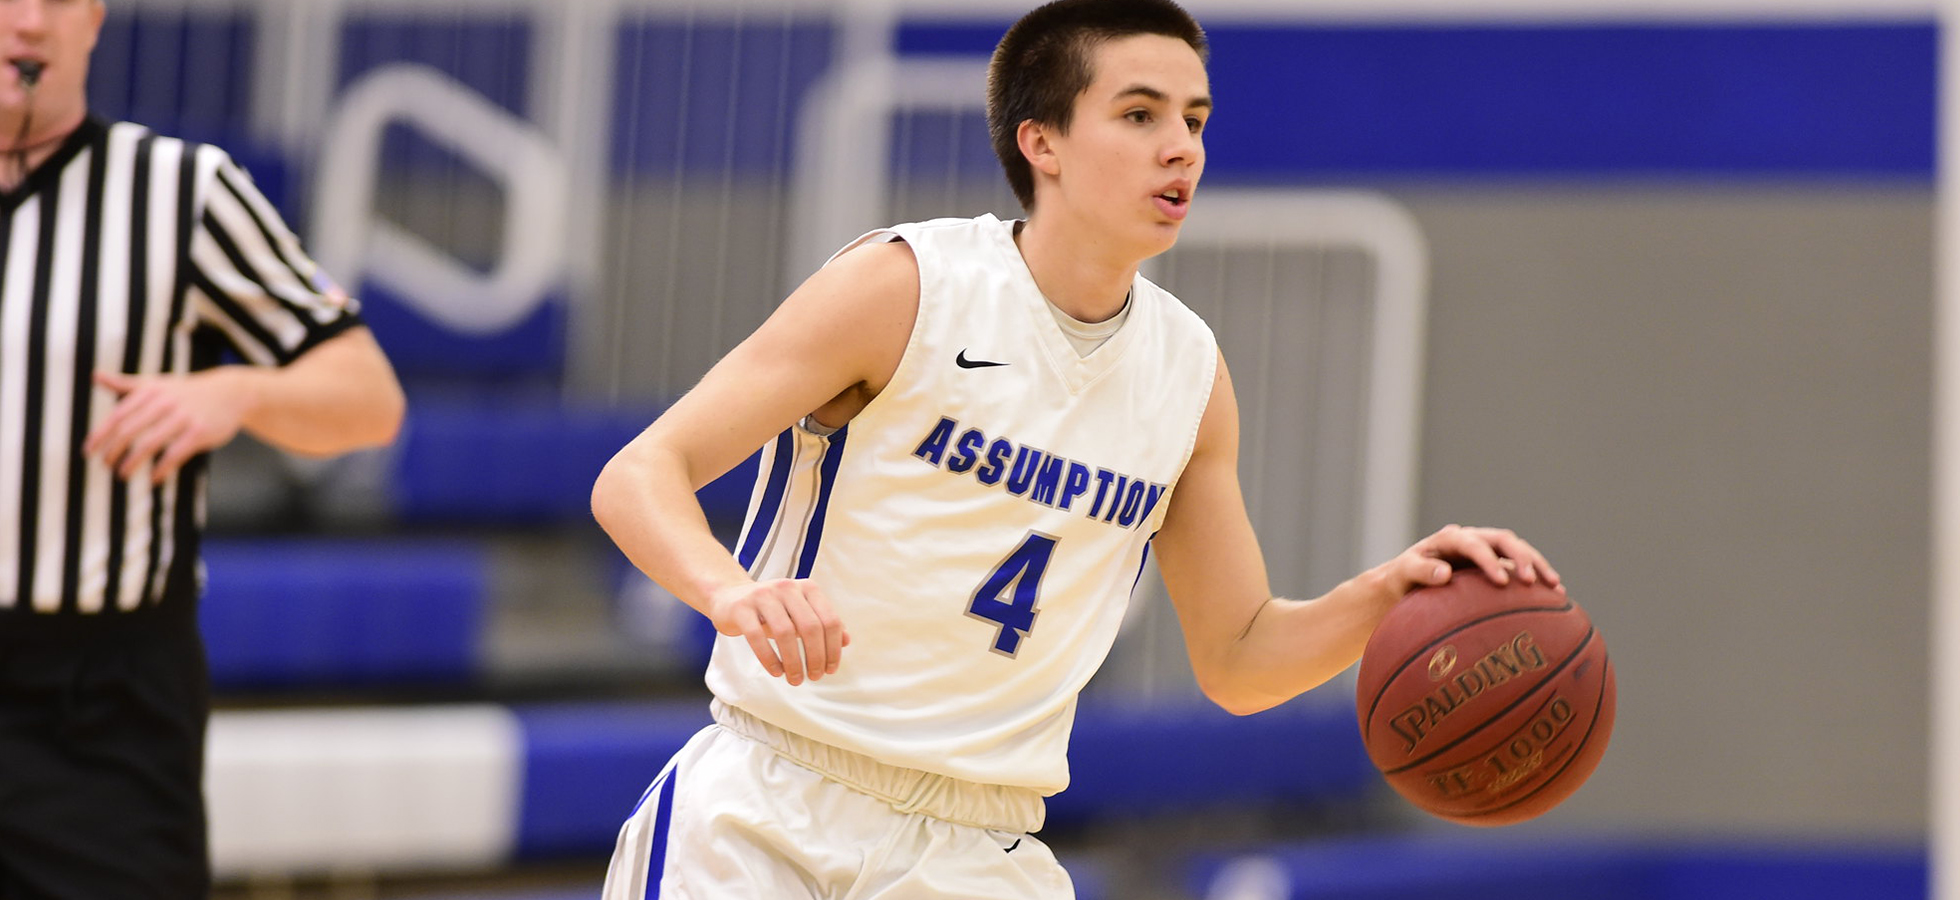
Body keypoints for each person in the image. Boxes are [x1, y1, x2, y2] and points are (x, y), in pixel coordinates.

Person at [592, 0, 1560, 897]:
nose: (1180, 149)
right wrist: (732, 592)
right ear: (1041, 142)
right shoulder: (906, 287)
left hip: (982, 845)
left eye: (1194, 120)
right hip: (773, 804)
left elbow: (1237, 658)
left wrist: (1387, 594)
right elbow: (639, 475)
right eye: (1139, 116)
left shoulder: (1188, 373)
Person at [0, 1, 405, 897]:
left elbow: (371, 403)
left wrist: (240, 390)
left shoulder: (182, 189)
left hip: (95, 701)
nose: (29, 22)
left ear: (94, 19)